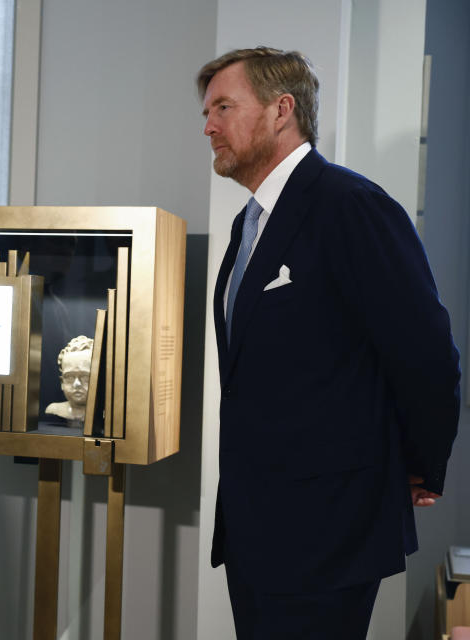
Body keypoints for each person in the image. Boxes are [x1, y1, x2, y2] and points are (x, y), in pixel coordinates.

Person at [197, 47, 460, 639]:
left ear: (280, 109)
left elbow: (426, 352)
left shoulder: (351, 205)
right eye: (206, 111)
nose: (208, 125)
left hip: (327, 532)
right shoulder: (250, 223)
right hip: (255, 529)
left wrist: (421, 464)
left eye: (223, 106)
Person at [44, 335, 93, 425]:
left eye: (85, 377)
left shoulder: (110, 413)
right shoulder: (54, 409)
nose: (76, 384)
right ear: (62, 382)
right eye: (70, 377)